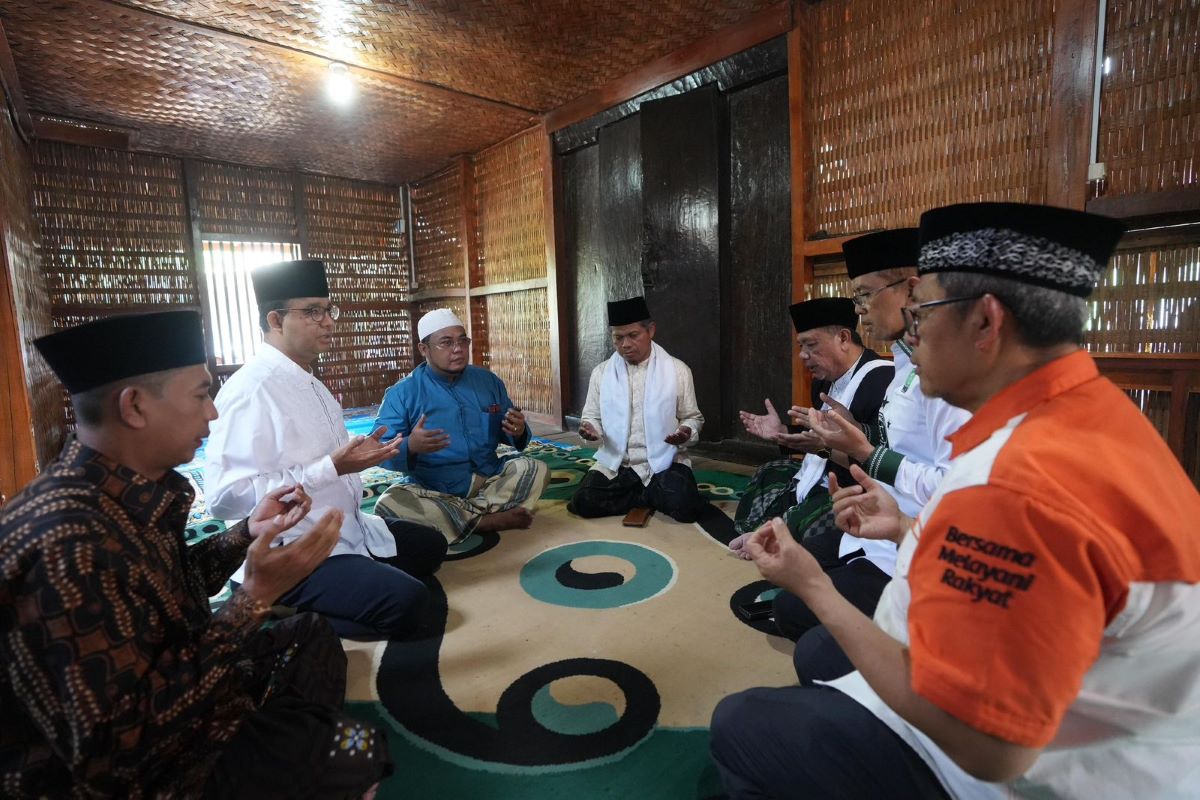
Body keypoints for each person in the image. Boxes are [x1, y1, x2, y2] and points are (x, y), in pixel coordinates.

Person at [711, 202, 1200, 799]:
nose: (911, 334)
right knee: (822, 659)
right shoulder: (1089, 416)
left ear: (986, 324)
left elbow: (990, 749)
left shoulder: (1014, 483)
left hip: (1051, 774)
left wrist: (814, 586)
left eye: (923, 312)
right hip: (1123, 733)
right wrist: (906, 531)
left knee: (745, 722)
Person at [0, 310, 392, 798]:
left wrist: (246, 531)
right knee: (359, 750)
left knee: (308, 635)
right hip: (121, 773)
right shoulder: (66, 541)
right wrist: (253, 597)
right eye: (201, 394)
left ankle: (279, 747)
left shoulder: (124, 488)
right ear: (135, 406)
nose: (212, 413)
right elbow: (112, 752)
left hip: (180, 688)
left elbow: (175, 584)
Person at [205, 259, 447, 640]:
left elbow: (331, 462)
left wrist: (361, 454)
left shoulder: (309, 381)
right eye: (313, 311)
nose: (329, 321)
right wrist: (330, 467)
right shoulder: (251, 390)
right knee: (415, 607)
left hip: (347, 528)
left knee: (432, 546)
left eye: (328, 309)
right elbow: (223, 500)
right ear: (275, 320)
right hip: (294, 548)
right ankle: (288, 613)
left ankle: (349, 583)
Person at [770, 230, 970, 648]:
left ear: (911, 289)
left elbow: (954, 487)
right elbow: (896, 444)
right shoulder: (902, 363)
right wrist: (845, 438)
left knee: (803, 631)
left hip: (920, 538)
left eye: (863, 296)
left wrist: (859, 449)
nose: (859, 314)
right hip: (885, 516)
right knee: (788, 587)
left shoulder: (947, 372)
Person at [372, 308, 549, 542]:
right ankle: (484, 520)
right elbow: (379, 450)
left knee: (534, 469)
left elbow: (511, 431)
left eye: (462, 341)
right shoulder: (402, 393)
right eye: (446, 343)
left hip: (488, 476)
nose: (458, 349)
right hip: (433, 485)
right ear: (423, 349)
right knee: (389, 504)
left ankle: (457, 518)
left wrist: (517, 431)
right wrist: (411, 445)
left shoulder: (488, 382)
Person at [730, 297, 892, 550]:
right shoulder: (823, 381)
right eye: (801, 345)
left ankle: (774, 535)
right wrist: (783, 431)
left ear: (843, 338)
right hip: (822, 472)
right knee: (769, 472)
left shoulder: (881, 379)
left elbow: (876, 458)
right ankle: (776, 529)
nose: (803, 355)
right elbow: (820, 437)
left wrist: (822, 449)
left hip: (853, 485)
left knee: (822, 520)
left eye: (811, 345)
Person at [566, 296, 707, 522]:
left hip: (663, 462)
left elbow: (692, 417)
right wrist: (591, 430)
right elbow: (591, 417)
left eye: (633, 335)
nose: (626, 344)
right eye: (618, 338)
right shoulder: (601, 373)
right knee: (583, 502)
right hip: (619, 463)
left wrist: (686, 432)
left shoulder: (677, 370)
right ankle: (647, 495)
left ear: (650, 330)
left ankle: (640, 493)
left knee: (687, 507)